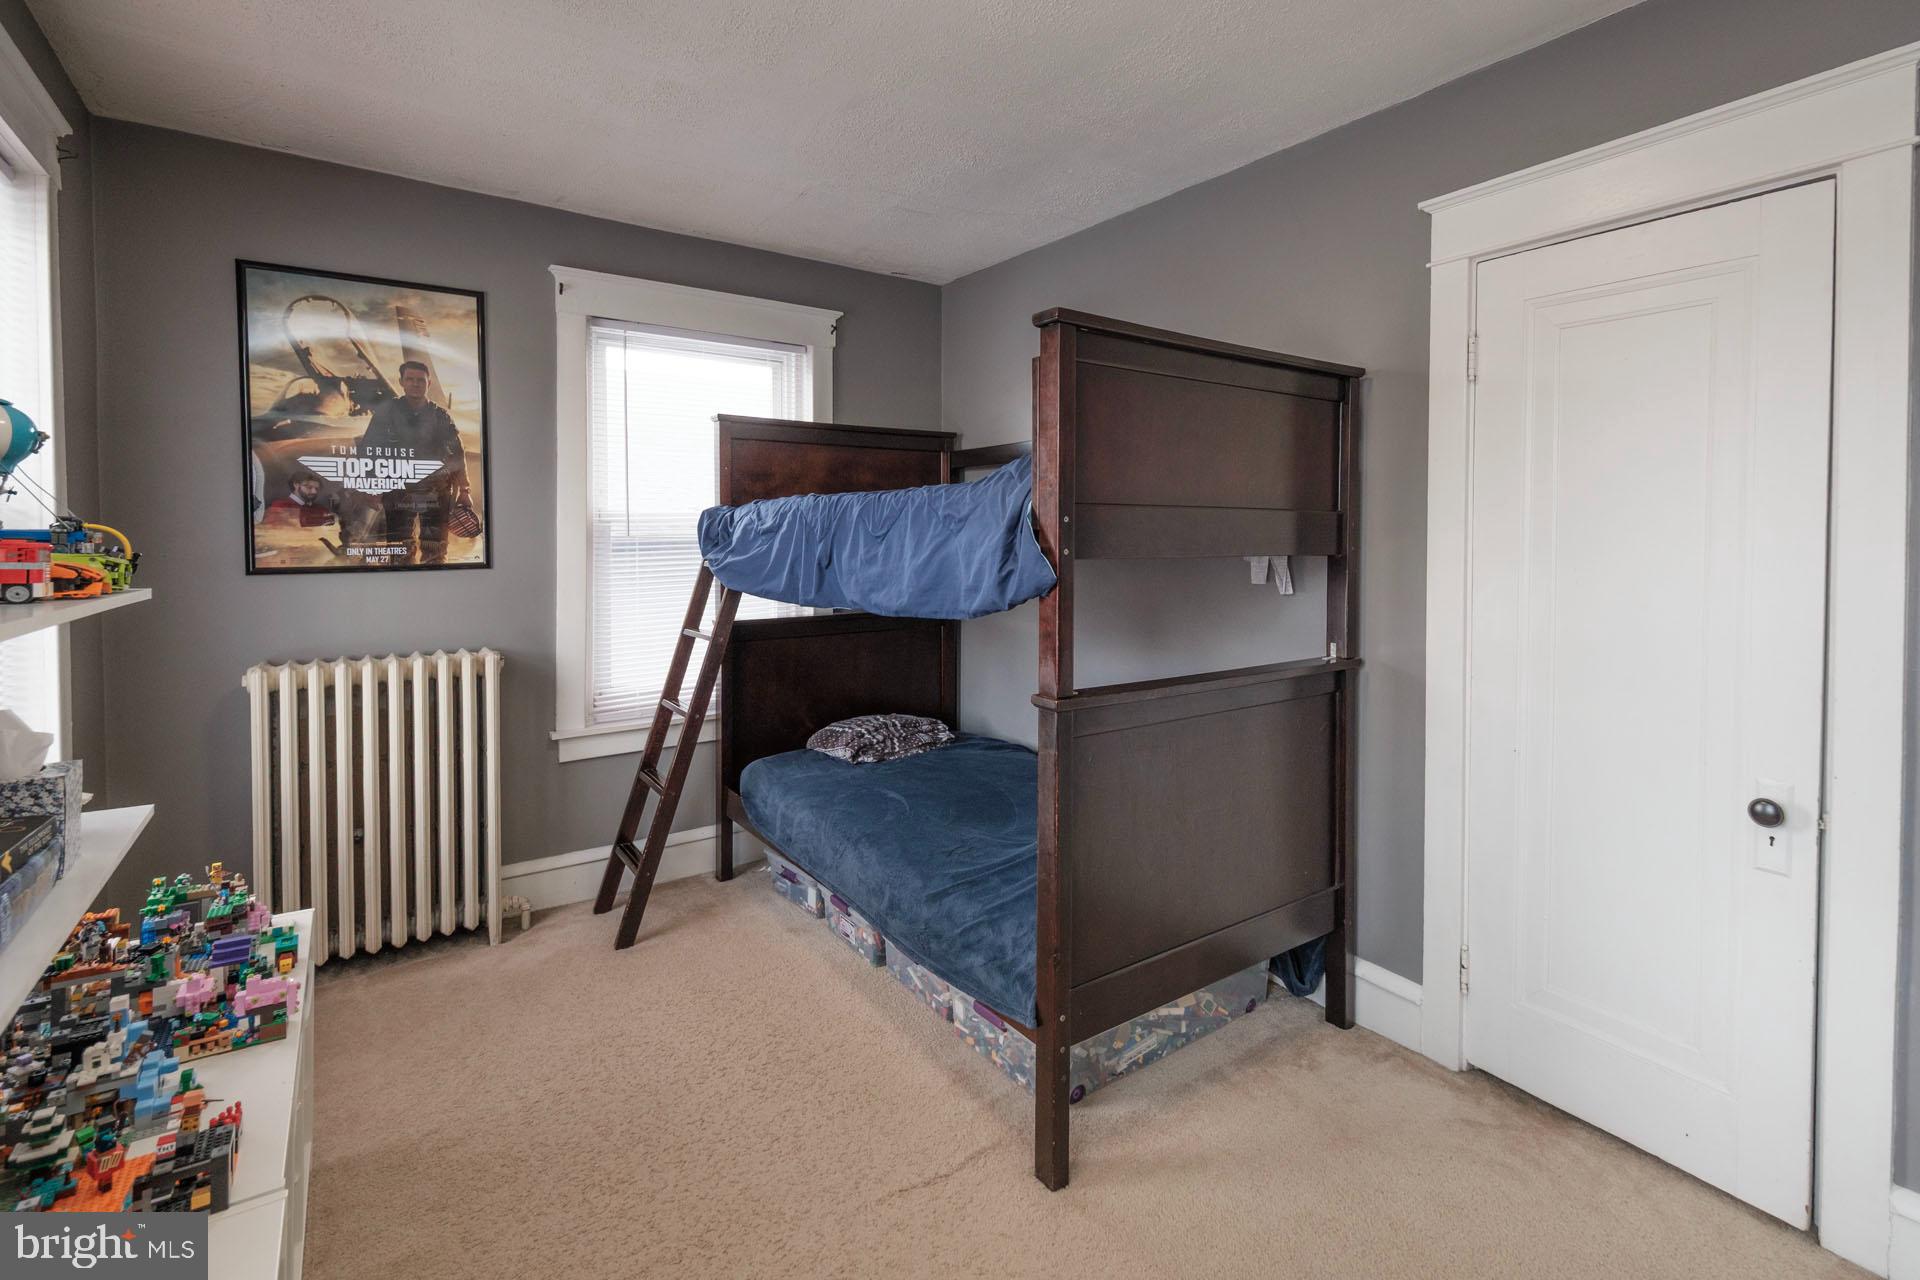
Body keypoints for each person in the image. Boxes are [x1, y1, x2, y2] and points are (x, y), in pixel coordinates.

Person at [355, 360, 471, 565]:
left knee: (435, 552)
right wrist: (371, 485)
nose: (415, 384)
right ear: (401, 382)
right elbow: (368, 450)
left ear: (429, 383)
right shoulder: (386, 412)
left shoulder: (441, 416)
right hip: (398, 490)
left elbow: (458, 454)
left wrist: (464, 491)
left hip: (437, 491)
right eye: (410, 379)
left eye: (420, 380)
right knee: (399, 551)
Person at [261, 466, 337, 528]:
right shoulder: (280, 506)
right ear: (296, 485)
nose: (314, 492)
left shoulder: (321, 509)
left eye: (316, 489)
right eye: (309, 487)